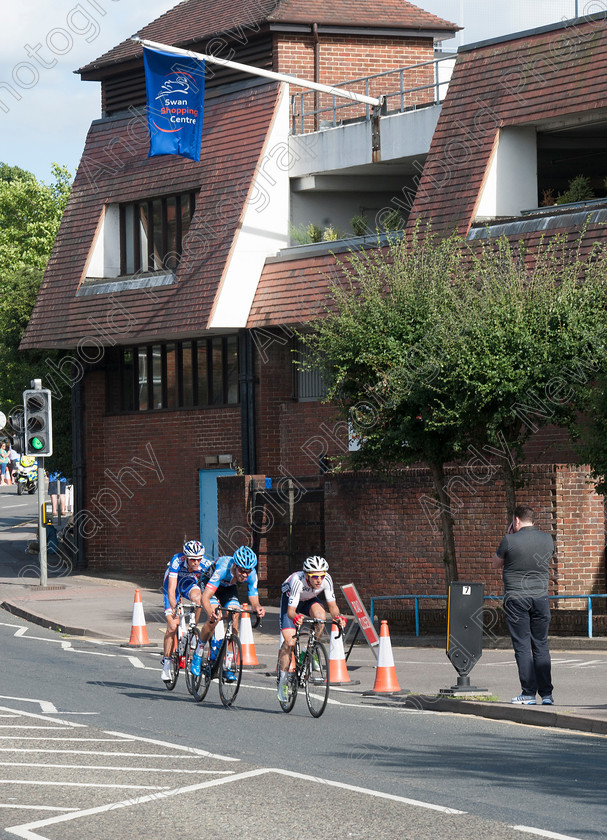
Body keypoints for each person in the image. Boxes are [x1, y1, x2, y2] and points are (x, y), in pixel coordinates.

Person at [491, 504, 555, 706]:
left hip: (516, 599)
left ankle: (528, 694)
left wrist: (509, 535)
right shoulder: (547, 539)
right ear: (533, 520)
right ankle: (547, 695)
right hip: (541, 598)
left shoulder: (509, 540)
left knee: (522, 646)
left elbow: (495, 563)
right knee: (541, 644)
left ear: (516, 520)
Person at [277, 555, 345, 702]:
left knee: (321, 617)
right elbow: (290, 611)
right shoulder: (297, 581)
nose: (319, 580)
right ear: (307, 575)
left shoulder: (326, 580)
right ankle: (282, 681)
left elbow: (332, 606)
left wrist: (338, 617)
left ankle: (310, 649)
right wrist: (295, 617)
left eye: (322, 575)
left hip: (308, 600)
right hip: (291, 603)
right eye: (315, 577)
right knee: (289, 642)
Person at [200, 546, 265, 672]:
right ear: (235, 565)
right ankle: (199, 651)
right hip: (211, 584)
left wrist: (258, 607)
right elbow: (205, 598)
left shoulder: (251, 575)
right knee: (216, 616)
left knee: (235, 615)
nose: (245, 574)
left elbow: (253, 596)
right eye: (242, 570)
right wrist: (210, 613)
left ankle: (227, 665)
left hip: (228, 588)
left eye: (248, 571)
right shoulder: (223, 568)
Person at [161, 539, 214, 683]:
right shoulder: (177, 561)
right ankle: (166, 663)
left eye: (198, 559)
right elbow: (171, 589)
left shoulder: (206, 565)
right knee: (172, 626)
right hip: (172, 586)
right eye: (192, 559)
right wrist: (174, 606)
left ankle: (192, 628)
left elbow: (211, 589)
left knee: (199, 600)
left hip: (188, 583)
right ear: (186, 557)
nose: (196, 562)